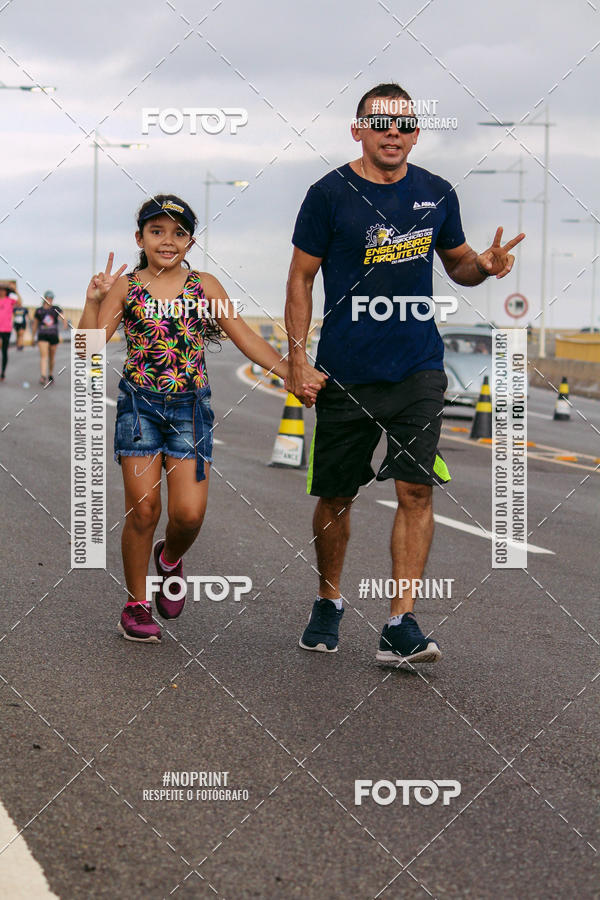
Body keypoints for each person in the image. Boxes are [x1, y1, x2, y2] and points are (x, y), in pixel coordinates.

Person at [285, 83, 524, 666]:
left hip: (418, 365)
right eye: (381, 123)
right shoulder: (327, 195)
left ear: (415, 133)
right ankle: (329, 599)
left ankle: (400, 621)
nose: (393, 133)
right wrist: (297, 356)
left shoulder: (436, 193)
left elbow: (459, 264)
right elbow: (300, 277)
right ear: (358, 129)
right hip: (346, 368)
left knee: (415, 489)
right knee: (337, 496)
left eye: (404, 124)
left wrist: (485, 267)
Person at [79, 194, 323, 643]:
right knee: (144, 509)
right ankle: (135, 605)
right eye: (157, 232)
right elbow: (89, 349)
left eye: (178, 233)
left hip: (191, 410)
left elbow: (246, 338)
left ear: (190, 242)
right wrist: (93, 301)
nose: (167, 241)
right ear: (140, 238)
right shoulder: (127, 287)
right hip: (139, 407)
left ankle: (169, 559)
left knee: (188, 515)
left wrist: (294, 373)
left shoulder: (205, 286)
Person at [32, 290, 63, 385]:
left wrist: (64, 325)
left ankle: (50, 374)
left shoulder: (56, 308)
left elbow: (63, 318)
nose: (50, 300)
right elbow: (35, 324)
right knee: (44, 356)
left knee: (52, 357)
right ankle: (43, 376)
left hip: (53, 335)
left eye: (51, 298)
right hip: (42, 335)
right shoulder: (39, 310)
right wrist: (33, 336)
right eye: (48, 298)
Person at [0, 281, 20, 381]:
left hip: (6, 329)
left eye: (3, 290)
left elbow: (20, 302)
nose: (2, 291)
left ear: (6, 291)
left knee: (4, 352)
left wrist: (15, 290)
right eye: (0, 290)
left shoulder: (10, 300)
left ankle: (2, 373)